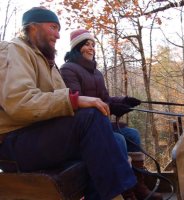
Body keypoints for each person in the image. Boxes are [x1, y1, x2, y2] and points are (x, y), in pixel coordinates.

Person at [0, 7, 136, 200]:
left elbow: (58, 106)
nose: (58, 34)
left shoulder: (48, 63)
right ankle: (118, 196)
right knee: (91, 119)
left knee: (110, 139)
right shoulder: (14, 50)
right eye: (53, 27)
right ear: (32, 28)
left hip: (38, 134)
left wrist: (114, 104)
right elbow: (20, 103)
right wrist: (74, 100)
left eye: (59, 29)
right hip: (14, 143)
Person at [60, 29, 163, 200]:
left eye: (93, 45)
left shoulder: (97, 73)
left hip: (101, 122)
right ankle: (126, 192)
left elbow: (105, 99)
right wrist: (109, 106)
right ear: (77, 47)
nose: (91, 48)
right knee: (119, 140)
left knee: (132, 135)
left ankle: (139, 185)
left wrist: (123, 102)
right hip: (83, 131)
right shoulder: (68, 70)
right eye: (86, 44)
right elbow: (77, 102)